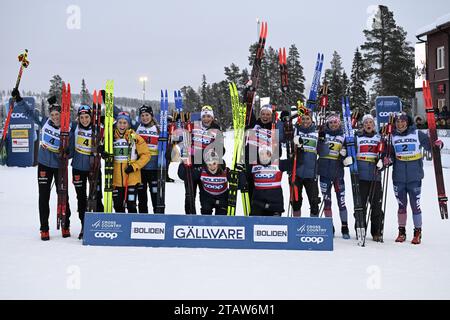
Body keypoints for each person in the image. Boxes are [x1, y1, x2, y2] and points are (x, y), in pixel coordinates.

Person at [386, 111, 443, 244]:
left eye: (403, 121)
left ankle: (417, 232)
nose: (400, 124)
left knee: (415, 205)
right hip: (398, 177)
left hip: (414, 177)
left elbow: (431, 146)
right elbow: (390, 155)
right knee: (401, 206)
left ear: (408, 122)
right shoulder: (392, 136)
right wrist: (386, 159)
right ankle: (401, 232)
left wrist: (438, 144)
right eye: (398, 122)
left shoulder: (417, 134)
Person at [34, 94, 72, 241]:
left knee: (63, 196)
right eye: (53, 114)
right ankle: (44, 228)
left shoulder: (68, 127)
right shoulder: (45, 122)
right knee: (43, 196)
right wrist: (18, 100)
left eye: (58, 114)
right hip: (44, 164)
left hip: (59, 166)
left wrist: (68, 153)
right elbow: (30, 114)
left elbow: (72, 148)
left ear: (62, 115)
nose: (55, 117)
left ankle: (65, 225)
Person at [177, 105, 224, 214]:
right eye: (204, 116)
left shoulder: (216, 130)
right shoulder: (193, 126)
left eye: (208, 116)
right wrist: (185, 156)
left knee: (205, 197)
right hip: (191, 165)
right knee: (189, 195)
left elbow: (220, 150)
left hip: (206, 166)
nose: (206, 119)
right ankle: (190, 218)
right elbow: (184, 144)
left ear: (212, 117)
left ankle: (204, 220)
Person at [69, 104, 104, 239]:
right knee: (81, 198)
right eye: (81, 117)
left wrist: (102, 149)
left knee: (97, 196)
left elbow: (113, 128)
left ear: (91, 117)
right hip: (78, 168)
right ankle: (85, 226)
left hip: (94, 167)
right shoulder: (74, 127)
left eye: (87, 117)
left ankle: (99, 223)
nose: (84, 120)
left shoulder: (98, 129)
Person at [318, 113, 350, 239]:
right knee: (327, 202)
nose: (333, 124)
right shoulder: (323, 134)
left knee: (341, 202)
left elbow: (349, 153)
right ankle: (328, 226)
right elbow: (318, 150)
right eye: (330, 122)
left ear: (339, 123)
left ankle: (344, 226)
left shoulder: (344, 136)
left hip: (338, 174)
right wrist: (320, 141)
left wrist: (345, 155)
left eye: (335, 122)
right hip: (324, 173)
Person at [111, 111, 150, 213]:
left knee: (131, 205)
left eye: (125, 123)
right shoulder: (111, 137)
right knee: (118, 206)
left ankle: (132, 227)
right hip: (116, 179)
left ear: (128, 124)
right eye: (120, 122)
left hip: (132, 178)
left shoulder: (135, 137)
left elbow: (146, 155)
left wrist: (134, 166)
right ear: (116, 123)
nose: (122, 125)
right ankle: (121, 227)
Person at [291, 109, 328, 217]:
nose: (305, 121)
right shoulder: (295, 131)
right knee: (296, 201)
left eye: (308, 119)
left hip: (311, 174)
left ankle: (313, 224)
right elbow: (282, 137)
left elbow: (324, 152)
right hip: (296, 172)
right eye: (303, 119)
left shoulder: (316, 133)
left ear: (312, 120)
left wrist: (322, 140)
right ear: (299, 120)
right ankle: (297, 224)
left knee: (314, 201)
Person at [354, 114, 384, 242]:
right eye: (366, 122)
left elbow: (387, 154)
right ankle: (360, 229)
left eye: (370, 122)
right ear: (363, 125)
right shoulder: (357, 138)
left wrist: (383, 162)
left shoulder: (380, 138)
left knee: (376, 207)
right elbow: (349, 151)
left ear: (374, 125)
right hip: (360, 177)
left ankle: (376, 231)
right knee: (361, 206)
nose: (368, 125)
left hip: (375, 177)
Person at [178, 150, 229, 215]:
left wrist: (240, 174)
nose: (212, 167)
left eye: (214, 163)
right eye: (209, 164)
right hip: (207, 197)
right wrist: (182, 164)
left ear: (218, 163)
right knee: (206, 213)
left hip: (222, 197)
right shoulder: (201, 171)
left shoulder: (225, 171)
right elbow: (185, 176)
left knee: (221, 218)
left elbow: (238, 183)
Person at [249, 147, 291, 216]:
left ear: (271, 154)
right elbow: (244, 176)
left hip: (274, 206)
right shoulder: (252, 165)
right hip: (258, 205)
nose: (264, 156)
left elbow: (296, 162)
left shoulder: (278, 163)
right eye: (262, 153)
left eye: (267, 153)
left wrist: (299, 148)